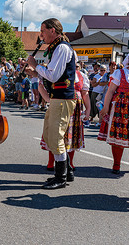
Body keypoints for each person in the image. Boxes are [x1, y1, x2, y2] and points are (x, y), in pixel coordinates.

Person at [26, 18, 76, 190]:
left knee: (55, 138)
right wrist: (35, 73)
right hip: (57, 98)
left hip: (63, 98)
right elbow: (53, 76)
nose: (41, 35)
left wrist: (36, 66)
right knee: (50, 135)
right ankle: (67, 171)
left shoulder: (61, 48)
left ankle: (60, 177)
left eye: (43, 31)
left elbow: (53, 76)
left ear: (53, 30)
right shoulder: (56, 48)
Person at [98, 50, 129, 175]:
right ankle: (116, 163)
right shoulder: (120, 73)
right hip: (121, 108)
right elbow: (110, 91)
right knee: (118, 135)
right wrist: (105, 107)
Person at [41, 62, 91, 180]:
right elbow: (41, 86)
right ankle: (51, 162)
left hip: (75, 109)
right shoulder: (56, 73)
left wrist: (88, 110)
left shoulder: (81, 76)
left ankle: (69, 164)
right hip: (60, 104)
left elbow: (85, 93)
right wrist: (48, 100)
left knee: (71, 136)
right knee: (56, 133)